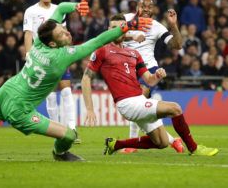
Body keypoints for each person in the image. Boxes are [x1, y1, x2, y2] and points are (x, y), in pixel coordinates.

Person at [0, 0, 152, 162]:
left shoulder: (37, 44)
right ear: (54, 42)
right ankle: (60, 155)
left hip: (6, 91)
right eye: (62, 33)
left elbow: (60, 10)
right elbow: (99, 40)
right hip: (19, 108)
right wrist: (128, 25)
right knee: (67, 136)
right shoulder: (62, 56)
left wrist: (75, 5)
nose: (67, 32)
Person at [81, 15, 218, 156]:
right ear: (109, 30)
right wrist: (90, 109)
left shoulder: (133, 53)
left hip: (139, 99)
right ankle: (194, 148)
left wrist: (157, 75)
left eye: (121, 27)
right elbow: (86, 79)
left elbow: (149, 80)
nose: (118, 31)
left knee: (162, 142)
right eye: (114, 28)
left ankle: (115, 144)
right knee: (175, 108)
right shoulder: (102, 51)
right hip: (127, 103)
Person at [122, 0, 184, 153]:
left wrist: (173, 26)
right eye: (143, 6)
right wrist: (131, 35)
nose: (147, 9)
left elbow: (177, 45)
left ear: (153, 10)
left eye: (150, 7)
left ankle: (130, 145)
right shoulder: (126, 19)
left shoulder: (157, 27)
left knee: (138, 101)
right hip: (126, 68)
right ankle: (171, 139)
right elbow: (110, 33)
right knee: (140, 110)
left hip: (148, 68)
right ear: (137, 7)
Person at [23, 0, 79, 143]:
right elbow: (28, 34)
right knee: (50, 94)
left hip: (58, 55)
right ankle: (59, 131)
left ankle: (72, 128)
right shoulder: (31, 11)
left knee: (67, 90)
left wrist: (68, 50)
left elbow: (64, 32)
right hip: (40, 57)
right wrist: (28, 54)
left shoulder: (58, 10)